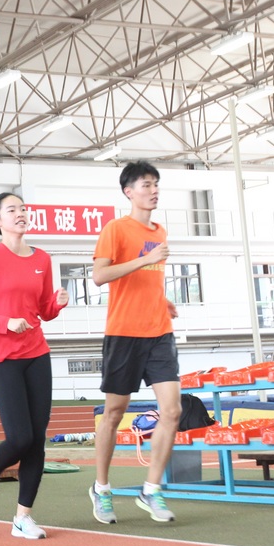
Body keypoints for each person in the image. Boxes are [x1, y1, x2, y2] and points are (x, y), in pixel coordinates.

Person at [0, 192, 69, 540]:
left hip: (37, 354)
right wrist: (4, 323)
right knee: (20, 437)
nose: (20, 214)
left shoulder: (43, 259)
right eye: (12, 210)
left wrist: (57, 303)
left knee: (37, 442)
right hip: (3, 357)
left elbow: (43, 311)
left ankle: (23, 518)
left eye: (23, 208)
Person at [89, 160, 182, 524]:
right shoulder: (116, 228)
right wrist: (145, 259)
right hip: (124, 334)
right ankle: (102, 489)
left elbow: (148, 279)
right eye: (146, 185)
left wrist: (162, 299)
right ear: (129, 191)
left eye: (156, 184)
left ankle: (151, 490)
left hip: (159, 332)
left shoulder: (161, 231)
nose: (153, 190)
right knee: (113, 414)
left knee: (172, 411)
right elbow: (99, 276)